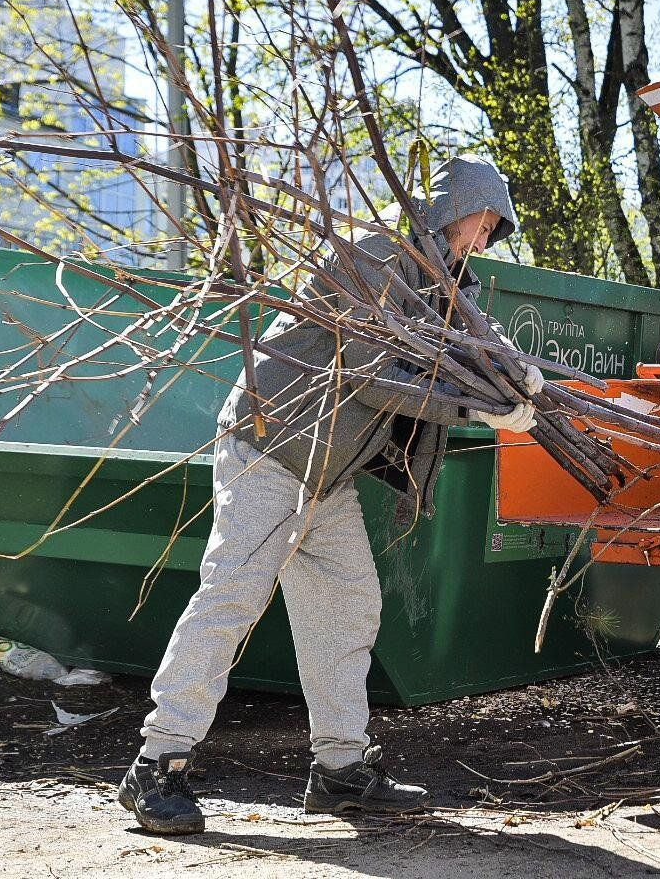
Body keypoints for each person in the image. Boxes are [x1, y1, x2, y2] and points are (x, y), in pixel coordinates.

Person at [118, 155, 541, 836]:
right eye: (482, 217)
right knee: (232, 599)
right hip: (273, 446)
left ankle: (340, 773)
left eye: (497, 226)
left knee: (348, 607)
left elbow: (454, 356)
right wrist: (474, 412)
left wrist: (510, 374)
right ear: (447, 207)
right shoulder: (376, 257)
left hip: (328, 474)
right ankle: (156, 766)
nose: (487, 236)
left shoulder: (443, 290)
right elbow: (372, 377)